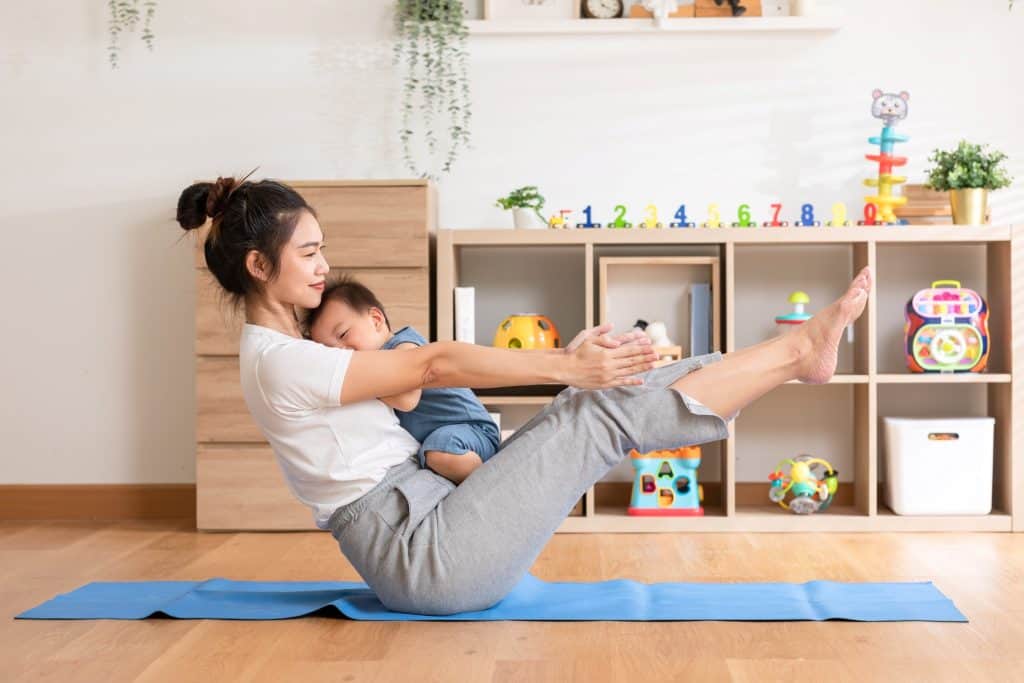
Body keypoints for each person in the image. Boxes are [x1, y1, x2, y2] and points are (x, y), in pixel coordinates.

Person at [176, 175, 871, 616]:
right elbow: (433, 364)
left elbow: (424, 372)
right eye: (309, 254)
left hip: (434, 522)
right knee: (593, 407)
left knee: (588, 404)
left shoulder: (291, 349)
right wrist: (564, 364)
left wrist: (571, 368)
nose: (326, 267)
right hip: (425, 558)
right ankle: (794, 352)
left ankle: (796, 353)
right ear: (259, 265)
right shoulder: (279, 363)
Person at [303, 274, 500, 484]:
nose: (341, 351)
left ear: (376, 320)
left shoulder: (403, 346)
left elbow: (406, 400)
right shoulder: (376, 364)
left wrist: (356, 383)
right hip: (443, 441)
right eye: (331, 351)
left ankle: (491, 484)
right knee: (434, 455)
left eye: (343, 335)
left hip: (471, 433)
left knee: (440, 453)